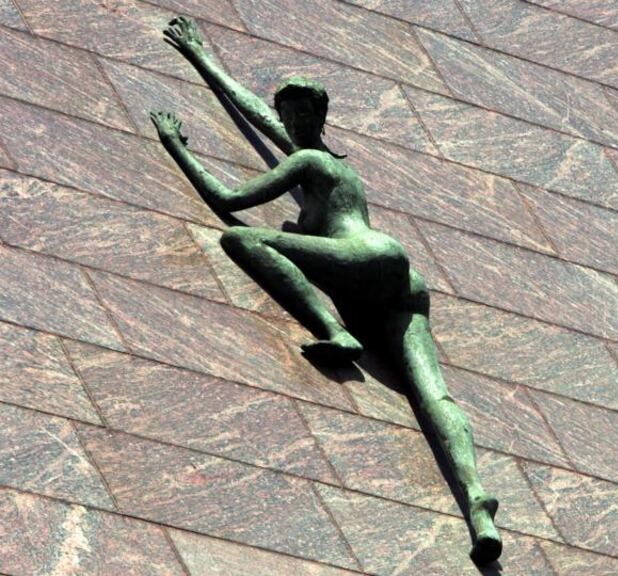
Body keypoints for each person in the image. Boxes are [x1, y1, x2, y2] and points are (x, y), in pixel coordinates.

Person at [152, 16, 501, 564]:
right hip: (402, 281)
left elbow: (228, 201)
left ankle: (335, 332)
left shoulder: (308, 160)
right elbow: (255, 112)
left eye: (297, 115)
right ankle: (477, 502)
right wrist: (201, 59)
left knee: (242, 239)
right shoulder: (331, 165)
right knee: (433, 395)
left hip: (362, 260)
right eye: (286, 115)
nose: (288, 123)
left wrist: (176, 146)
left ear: (314, 120)